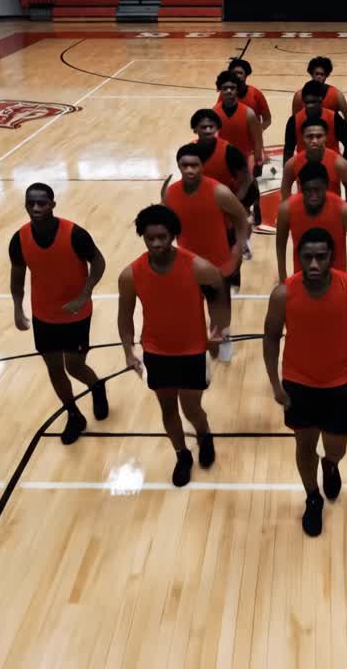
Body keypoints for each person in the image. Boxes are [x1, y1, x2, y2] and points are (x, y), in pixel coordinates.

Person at [263, 227, 347, 537]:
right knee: (304, 444)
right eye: (307, 257)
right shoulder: (283, 294)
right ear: (298, 257)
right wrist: (275, 383)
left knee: (336, 448)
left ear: (332, 258)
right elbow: (271, 337)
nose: (313, 264)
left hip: (338, 384)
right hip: (298, 383)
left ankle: (331, 465)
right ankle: (312, 497)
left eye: (320, 257)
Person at [118, 205, 232, 486]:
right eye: (150, 238)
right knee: (168, 409)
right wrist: (128, 352)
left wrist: (217, 332)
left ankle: (204, 437)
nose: (156, 243)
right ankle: (182, 455)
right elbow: (124, 316)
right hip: (156, 352)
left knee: (192, 409)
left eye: (162, 237)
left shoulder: (199, 268)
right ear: (142, 237)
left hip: (192, 351)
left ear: (173, 236)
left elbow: (220, 296)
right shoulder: (131, 275)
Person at [8, 183, 108, 445]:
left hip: (76, 314)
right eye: (31, 203)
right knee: (54, 368)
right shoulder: (19, 239)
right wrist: (18, 309)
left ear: (53, 204)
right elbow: (17, 277)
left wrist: (85, 294)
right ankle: (74, 415)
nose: (37, 208)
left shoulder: (75, 234)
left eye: (42, 203)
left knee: (74, 366)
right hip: (44, 315)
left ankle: (97, 386)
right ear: (25, 205)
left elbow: (98, 262)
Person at [162, 144, 251, 360]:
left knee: (219, 311)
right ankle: (199, 348)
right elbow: (168, 226)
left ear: (203, 166)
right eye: (185, 165)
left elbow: (242, 219)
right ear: (179, 166)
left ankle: (224, 338)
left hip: (219, 263)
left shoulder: (219, 191)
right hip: (186, 265)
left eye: (195, 165)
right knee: (190, 313)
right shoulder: (171, 193)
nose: (190, 170)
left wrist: (238, 249)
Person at [275, 162, 347, 284]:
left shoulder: (344, 211)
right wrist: (283, 279)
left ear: (326, 186)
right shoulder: (286, 210)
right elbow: (280, 245)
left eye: (317, 190)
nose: (313, 195)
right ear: (301, 189)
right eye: (308, 190)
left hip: (336, 283)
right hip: (302, 282)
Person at [190, 107, 257, 259]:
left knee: (232, 246)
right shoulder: (189, 151)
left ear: (217, 128)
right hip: (204, 201)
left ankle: (243, 243)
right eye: (203, 127)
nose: (207, 130)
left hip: (229, 200)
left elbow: (246, 179)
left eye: (211, 127)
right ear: (195, 129)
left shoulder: (230, 151)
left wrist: (235, 201)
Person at [214, 70, 266, 234]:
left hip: (245, 159)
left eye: (232, 88)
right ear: (220, 90)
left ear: (237, 90)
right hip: (224, 161)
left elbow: (257, 139)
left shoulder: (249, 113)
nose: (229, 91)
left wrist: (258, 160)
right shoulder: (215, 113)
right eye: (225, 88)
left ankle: (255, 208)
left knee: (247, 191)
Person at [279, 117, 347, 204]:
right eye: (309, 136)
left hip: (332, 213)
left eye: (319, 136)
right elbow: (285, 190)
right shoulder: (291, 164)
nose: (314, 141)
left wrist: (345, 212)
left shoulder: (339, 163)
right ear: (303, 138)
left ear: (326, 137)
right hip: (304, 212)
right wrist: (291, 212)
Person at [283, 80, 347, 162]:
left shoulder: (335, 118)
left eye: (313, 102)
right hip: (304, 167)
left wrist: (344, 166)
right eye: (307, 102)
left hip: (331, 165)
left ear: (321, 100)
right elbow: (288, 151)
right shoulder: (293, 120)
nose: (310, 106)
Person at [290, 55, 347, 124]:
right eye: (317, 74)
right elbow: (295, 122)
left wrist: (336, 130)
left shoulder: (337, 95)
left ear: (327, 75)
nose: (319, 77)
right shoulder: (299, 96)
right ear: (311, 74)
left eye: (322, 74)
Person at [215, 58, 271, 130]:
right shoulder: (226, 94)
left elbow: (267, 119)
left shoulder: (256, 93)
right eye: (235, 73)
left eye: (240, 73)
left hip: (251, 138)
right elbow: (216, 116)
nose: (238, 76)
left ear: (246, 75)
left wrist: (258, 131)